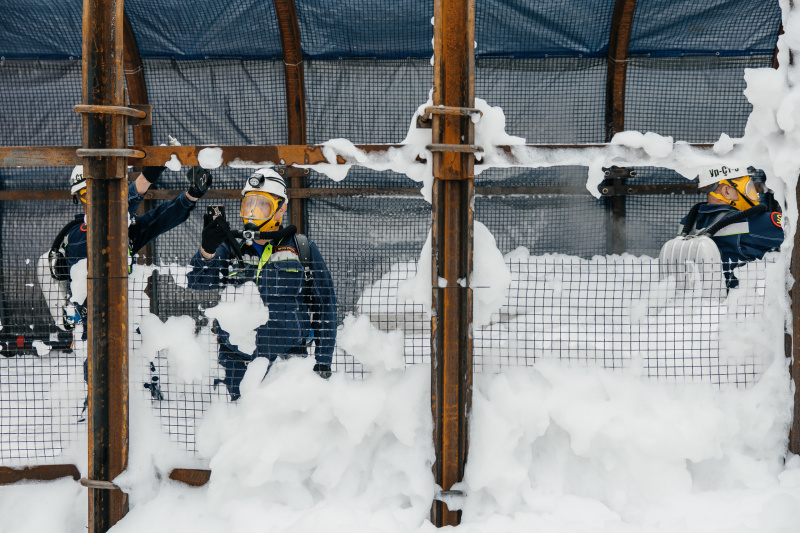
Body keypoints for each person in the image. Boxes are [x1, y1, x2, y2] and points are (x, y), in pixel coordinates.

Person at [38, 164, 212, 407]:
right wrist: (146, 178)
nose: (98, 200)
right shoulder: (78, 237)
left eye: (103, 192)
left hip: (132, 321)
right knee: (102, 390)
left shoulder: (121, 231)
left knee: (143, 380)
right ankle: (96, 420)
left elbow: (158, 219)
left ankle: (150, 409)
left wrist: (192, 195)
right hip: (96, 327)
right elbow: (117, 211)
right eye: (90, 194)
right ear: (80, 198)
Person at [186, 168, 336, 400]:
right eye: (249, 205)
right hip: (237, 365)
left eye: (262, 206)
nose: (253, 213)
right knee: (237, 431)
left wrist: (323, 361)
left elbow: (325, 305)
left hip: (287, 365)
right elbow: (197, 283)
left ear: (281, 208)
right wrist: (207, 251)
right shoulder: (229, 248)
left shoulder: (302, 248)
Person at [677, 164, 783, 287]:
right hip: (739, 302)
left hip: (699, 301)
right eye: (748, 188)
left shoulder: (687, 222)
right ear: (726, 192)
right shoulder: (749, 221)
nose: (753, 193)